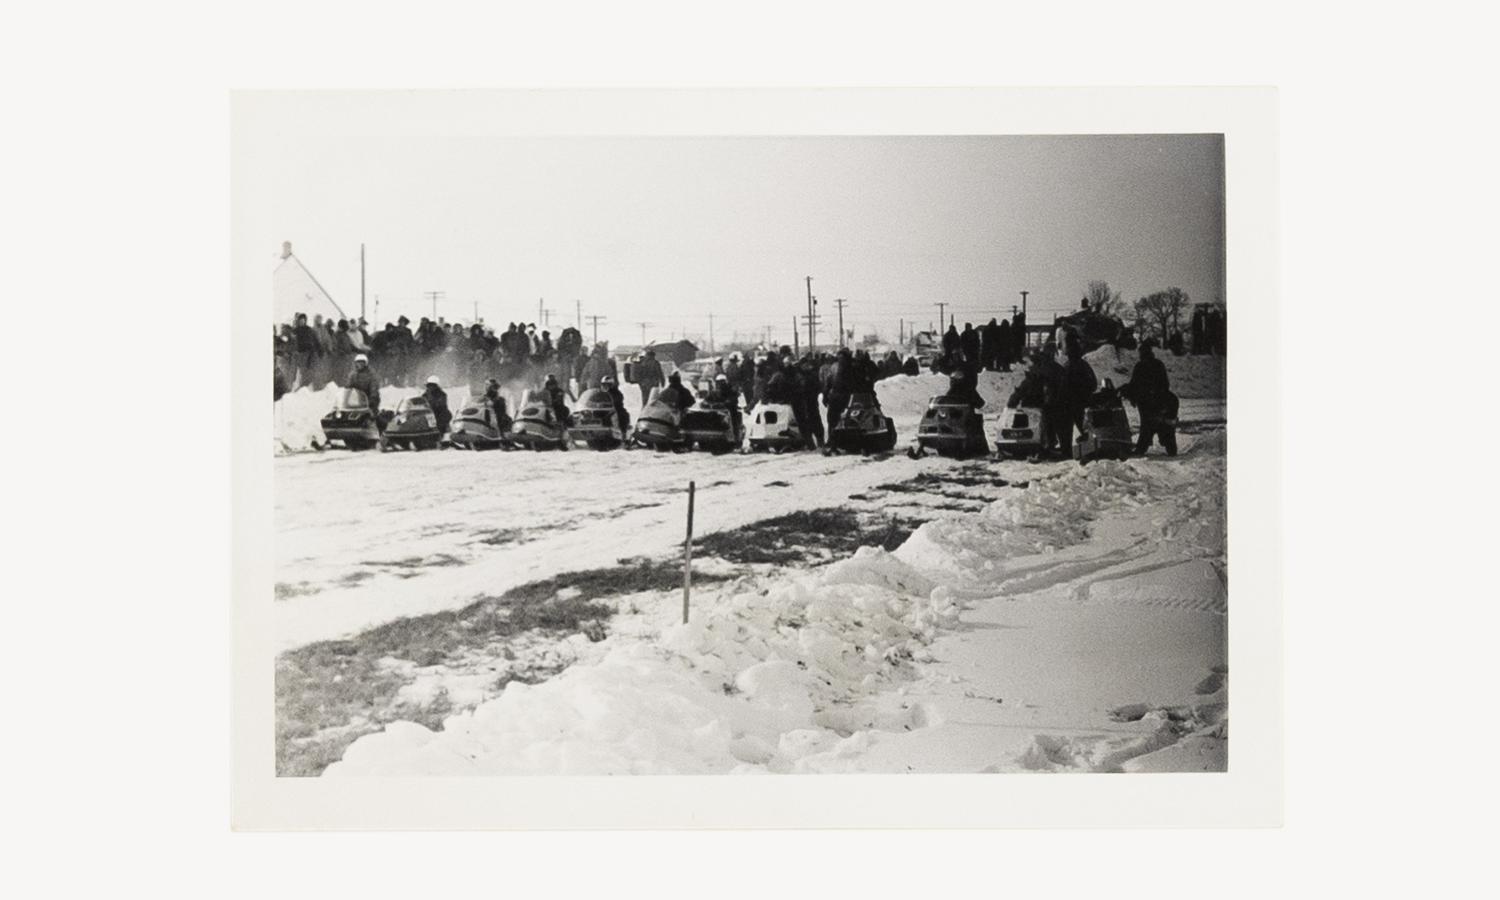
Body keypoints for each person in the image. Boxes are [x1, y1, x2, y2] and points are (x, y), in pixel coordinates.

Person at [1120, 341, 1177, 456]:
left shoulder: (1140, 366)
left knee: (1147, 426)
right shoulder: (1158, 364)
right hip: (1164, 400)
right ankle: (1169, 446)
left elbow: (1134, 384)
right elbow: (1165, 384)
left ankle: (1143, 448)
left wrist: (1127, 392)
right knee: (1165, 427)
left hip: (1149, 402)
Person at [1061, 333, 1099, 449]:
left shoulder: (1067, 367)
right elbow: (1093, 383)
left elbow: (1062, 385)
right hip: (1084, 400)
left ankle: (1067, 448)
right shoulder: (1085, 365)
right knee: (1084, 425)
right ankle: (1090, 445)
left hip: (1070, 401)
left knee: (1067, 426)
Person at [346, 354, 382, 426]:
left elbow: (374, 387)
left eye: (362, 362)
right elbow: (349, 386)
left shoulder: (371, 374)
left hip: (370, 398)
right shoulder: (353, 374)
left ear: (365, 363)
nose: (359, 364)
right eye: (358, 362)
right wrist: (346, 394)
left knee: (371, 413)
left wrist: (373, 397)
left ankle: (375, 427)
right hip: (358, 398)